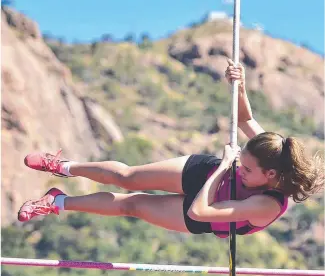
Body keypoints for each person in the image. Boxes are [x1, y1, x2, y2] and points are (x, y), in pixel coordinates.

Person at [18, 61, 324, 238]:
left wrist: (224, 169)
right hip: (203, 173)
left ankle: (57, 202)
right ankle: (63, 166)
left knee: (132, 205)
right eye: (240, 163)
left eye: (246, 169)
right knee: (127, 176)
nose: (240, 169)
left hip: (206, 212)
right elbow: (245, 119)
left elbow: (200, 211)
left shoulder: (268, 205)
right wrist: (240, 87)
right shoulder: (273, 150)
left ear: (270, 175)